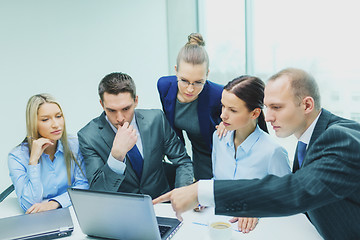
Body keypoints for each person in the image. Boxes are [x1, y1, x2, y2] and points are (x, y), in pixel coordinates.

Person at [154, 68, 360, 240]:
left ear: (307, 105)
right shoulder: (307, 141)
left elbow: (296, 189)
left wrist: (202, 191)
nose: (268, 117)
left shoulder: (339, 138)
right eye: (267, 107)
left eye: (277, 108)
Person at [78, 72, 194, 199]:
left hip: (161, 204)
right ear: (102, 104)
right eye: (111, 110)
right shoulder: (88, 137)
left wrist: (182, 195)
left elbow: (183, 161)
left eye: (126, 109)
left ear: (136, 101)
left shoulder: (156, 119)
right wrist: (116, 156)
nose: (120, 118)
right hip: (122, 211)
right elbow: (98, 191)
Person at [212, 75, 291, 233]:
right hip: (218, 223)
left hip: (256, 231)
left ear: (255, 114)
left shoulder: (273, 152)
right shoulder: (219, 138)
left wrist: (257, 208)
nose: (223, 115)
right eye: (223, 106)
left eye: (233, 110)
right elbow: (217, 182)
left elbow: (287, 198)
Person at [157, 33, 223, 180]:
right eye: (184, 80)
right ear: (176, 71)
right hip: (196, 150)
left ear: (207, 74)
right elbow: (171, 125)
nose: (190, 89)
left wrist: (227, 123)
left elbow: (244, 110)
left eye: (198, 82)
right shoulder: (164, 86)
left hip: (219, 152)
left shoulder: (218, 94)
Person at [8, 94, 89, 214]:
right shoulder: (17, 157)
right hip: (38, 219)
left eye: (58, 116)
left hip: (72, 211)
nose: (56, 124)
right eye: (45, 119)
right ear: (33, 123)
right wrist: (33, 161)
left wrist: (54, 203)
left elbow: (83, 186)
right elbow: (28, 205)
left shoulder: (75, 144)